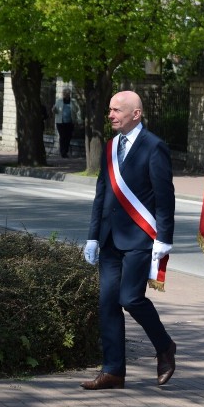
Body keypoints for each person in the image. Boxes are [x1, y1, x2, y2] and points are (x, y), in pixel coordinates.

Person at [80, 90, 176, 390]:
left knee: (130, 298)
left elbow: (165, 198)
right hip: (109, 239)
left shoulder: (154, 147)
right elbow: (101, 195)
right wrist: (93, 236)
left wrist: (164, 238)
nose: (110, 115)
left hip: (140, 238)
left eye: (117, 110)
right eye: (110, 109)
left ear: (136, 114)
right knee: (107, 302)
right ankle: (113, 371)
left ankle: (164, 347)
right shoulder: (110, 146)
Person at [53, 88, 81, 158]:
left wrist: (79, 120)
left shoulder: (73, 101)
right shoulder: (59, 101)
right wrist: (54, 109)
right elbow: (55, 111)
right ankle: (63, 152)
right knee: (62, 136)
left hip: (70, 122)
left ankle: (66, 151)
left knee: (68, 137)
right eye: (64, 93)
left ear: (69, 94)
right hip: (60, 122)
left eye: (67, 94)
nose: (65, 95)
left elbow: (78, 110)